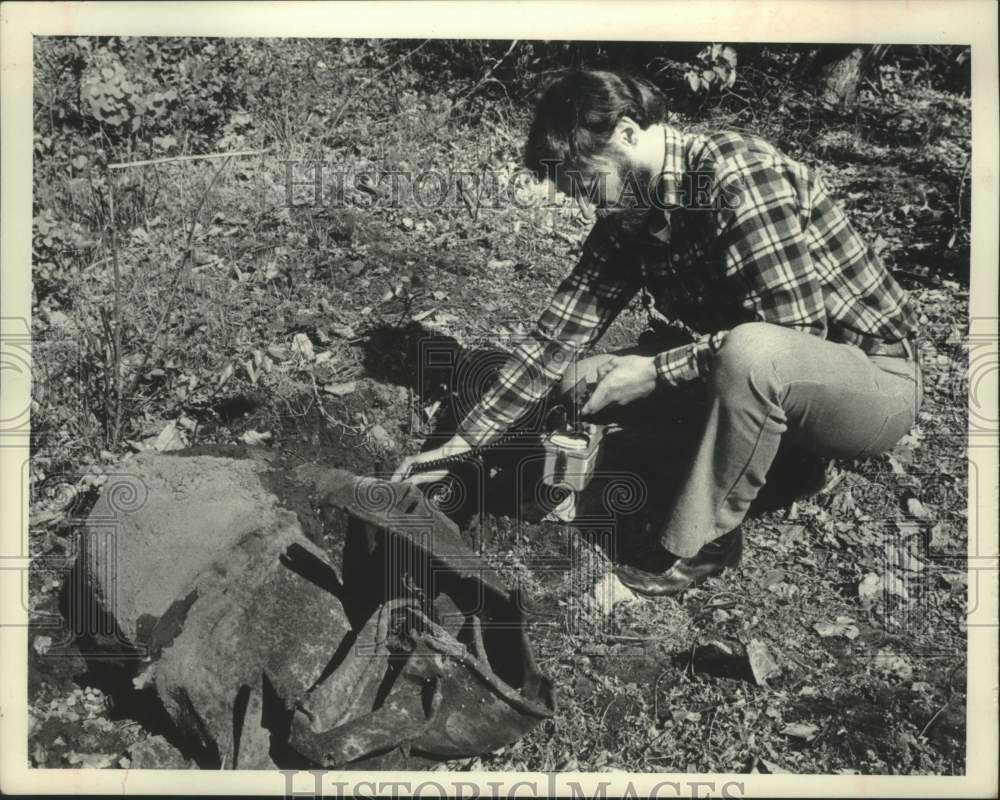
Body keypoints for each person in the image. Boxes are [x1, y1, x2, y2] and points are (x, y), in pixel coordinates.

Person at [391, 70, 922, 596]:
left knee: (752, 354)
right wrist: (461, 443)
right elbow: (557, 337)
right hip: (748, 370)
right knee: (579, 380)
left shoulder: (737, 175)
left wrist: (652, 371)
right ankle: (773, 463)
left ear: (626, 132)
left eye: (586, 179)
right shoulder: (630, 210)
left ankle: (698, 547)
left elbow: (791, 334)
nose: (585, 201)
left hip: (870, 381)